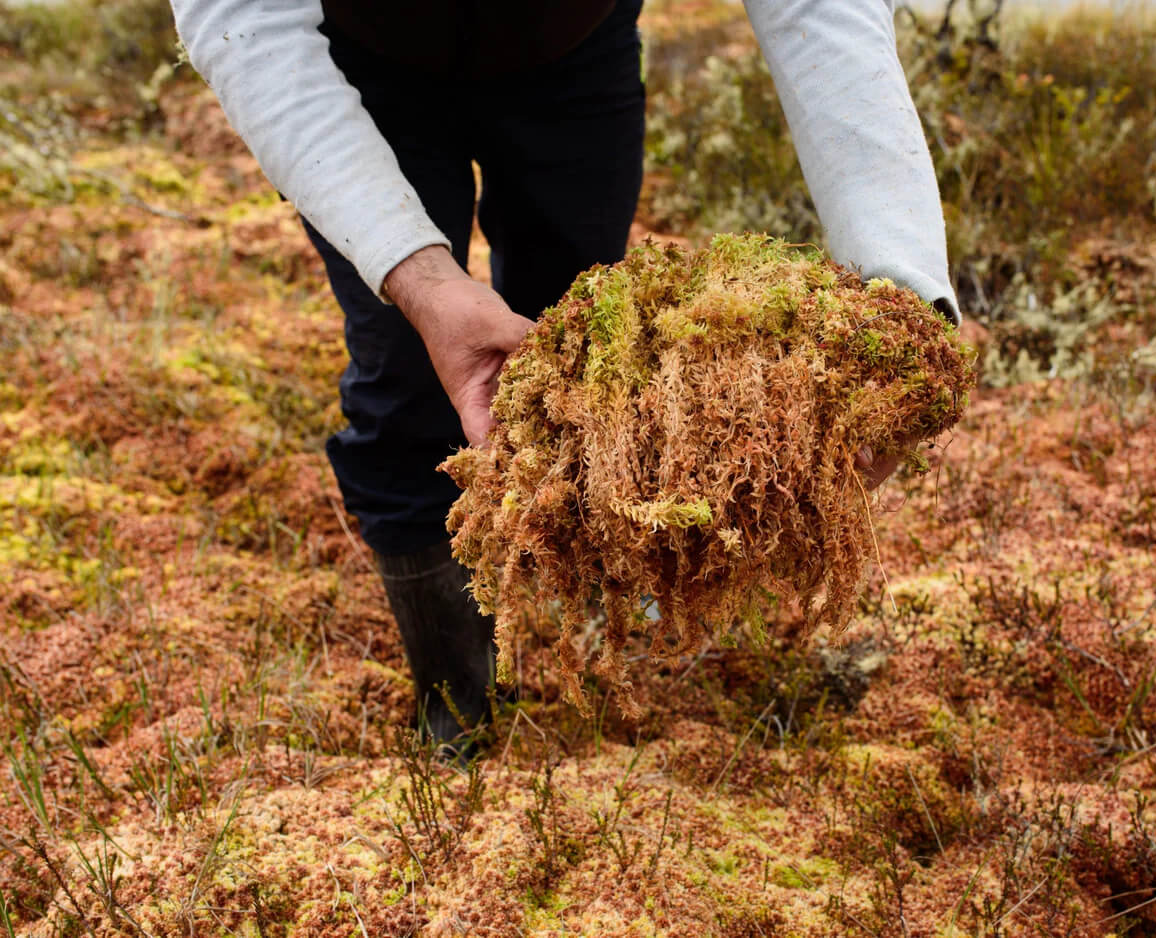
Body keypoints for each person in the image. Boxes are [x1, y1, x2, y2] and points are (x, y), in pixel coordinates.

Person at [169, 0, 962, 749]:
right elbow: (244, 22)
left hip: (572, 48)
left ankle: (596, 629)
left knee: (587, 349)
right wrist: (420, 278)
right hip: (365, 59)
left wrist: (904, 303)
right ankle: (456, 698)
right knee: (406, 368)